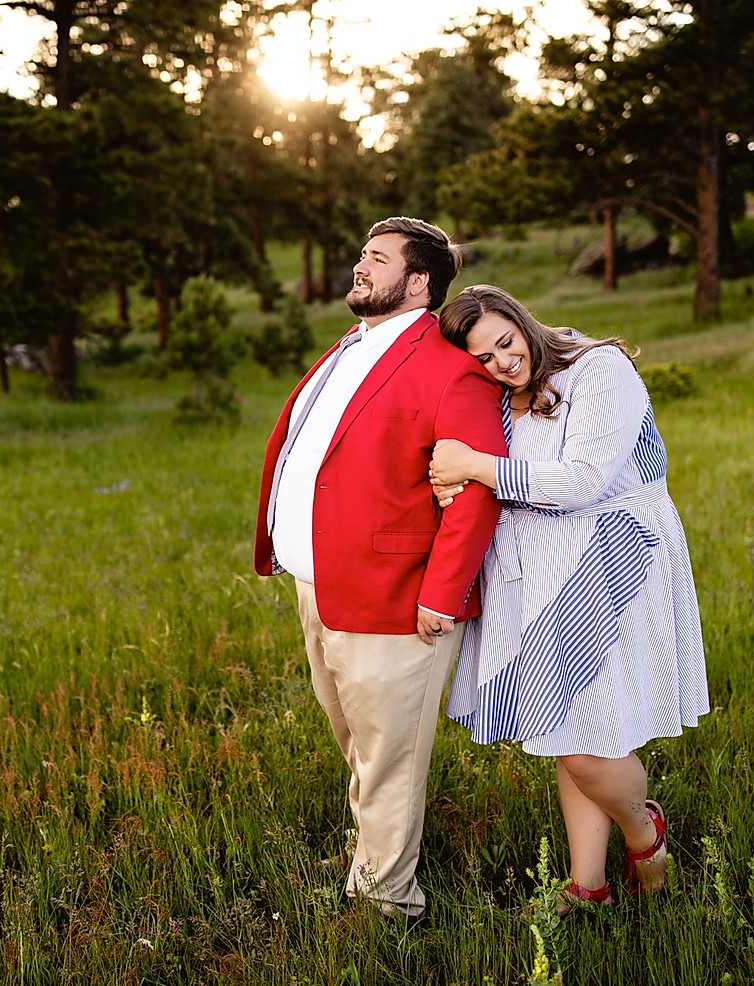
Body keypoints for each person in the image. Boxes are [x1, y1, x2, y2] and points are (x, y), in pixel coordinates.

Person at [254, 218, 508, 926]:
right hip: (321, 584)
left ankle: (388, 904)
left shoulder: (450, 368)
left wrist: (442, 594)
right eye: (362, 255)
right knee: (357, 741)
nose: (359, 267)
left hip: (400, 598)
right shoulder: (349, 348)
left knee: (391, 755)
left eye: (376, 258)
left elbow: (475, 494)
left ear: (419, 280)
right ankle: (373, 855)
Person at [427, 284, 708, 912]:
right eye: (484, 358)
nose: (502, 361)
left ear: (523, 322)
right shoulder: (501, 399)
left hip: (614, 563)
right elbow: (479, 476)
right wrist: (455, 482)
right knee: (565, 732)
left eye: (506, 341)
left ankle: (644, 833)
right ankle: (588, 886)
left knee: (589, 744)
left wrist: (474, 466)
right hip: (541, 578)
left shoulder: (598, 370)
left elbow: (582, 480)